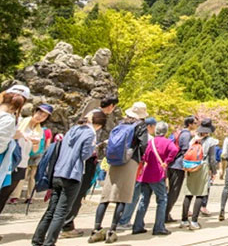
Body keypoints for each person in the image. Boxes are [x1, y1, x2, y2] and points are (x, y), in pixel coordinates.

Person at [33, 111, 105, 246]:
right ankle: (49, 242)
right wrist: (93, 149)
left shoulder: (73, 129)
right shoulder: (90, 133)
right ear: (99, 124)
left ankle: (37, 240)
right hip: (72, 174)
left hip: (58, 171)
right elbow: (84, 155)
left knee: (51, 210)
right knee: (61, 212)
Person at [88, 102, 148, 244]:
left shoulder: (120, 123)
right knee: (122, 197)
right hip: (129, 161)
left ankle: (96, 230)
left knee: (106, 196)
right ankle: (112, 230)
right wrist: (140, 157)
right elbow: (144, 144)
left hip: (114, 161)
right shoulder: (140, 126)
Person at [61, 95, 118, 239]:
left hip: (78, 160)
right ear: (111, 106)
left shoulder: (90, 114)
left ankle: (65, 223)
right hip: (85, 161)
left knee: (74, 193)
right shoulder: (97, 117)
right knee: (77, 192)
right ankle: (67, 225)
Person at [1, 101, 50, 213]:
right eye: (39, 113)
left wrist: (36, 143)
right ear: (34, 112)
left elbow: (34, 151)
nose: (40, 117)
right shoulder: (19, 122)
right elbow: (8, 135)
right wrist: (22, 134)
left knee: (5, 195)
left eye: (44, 116)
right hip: (8, 161)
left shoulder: (39, 130)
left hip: (23, 162)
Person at [132, 121, 178, 237]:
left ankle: (137, 226)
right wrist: (167, 161)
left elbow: (145, 156)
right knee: (162, 200)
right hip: (157, 174)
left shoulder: (150, 141)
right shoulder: (168, 142)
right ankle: (159, 227)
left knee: (143, 199)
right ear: (165, 131)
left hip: (146, 174)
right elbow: (174, 150)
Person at [181, 119, 218, 230]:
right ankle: (194, 221)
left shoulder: (193, 140)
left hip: (191, 167)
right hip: (203, 167)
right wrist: (214, 172)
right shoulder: (211, 141)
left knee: (188, 194)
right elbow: (212, 159)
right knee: (200, 194)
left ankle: (184, 220)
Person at [165, 116, 195, 223]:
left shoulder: (177, 132)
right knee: (174, 191)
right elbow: (186, 150)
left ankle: (165, 213)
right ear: (190, 124)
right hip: (179, 165)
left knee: (171, 190)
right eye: (194, 123)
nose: (195, 125)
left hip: (171, 163)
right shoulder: (187, 134)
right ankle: (165, 214)